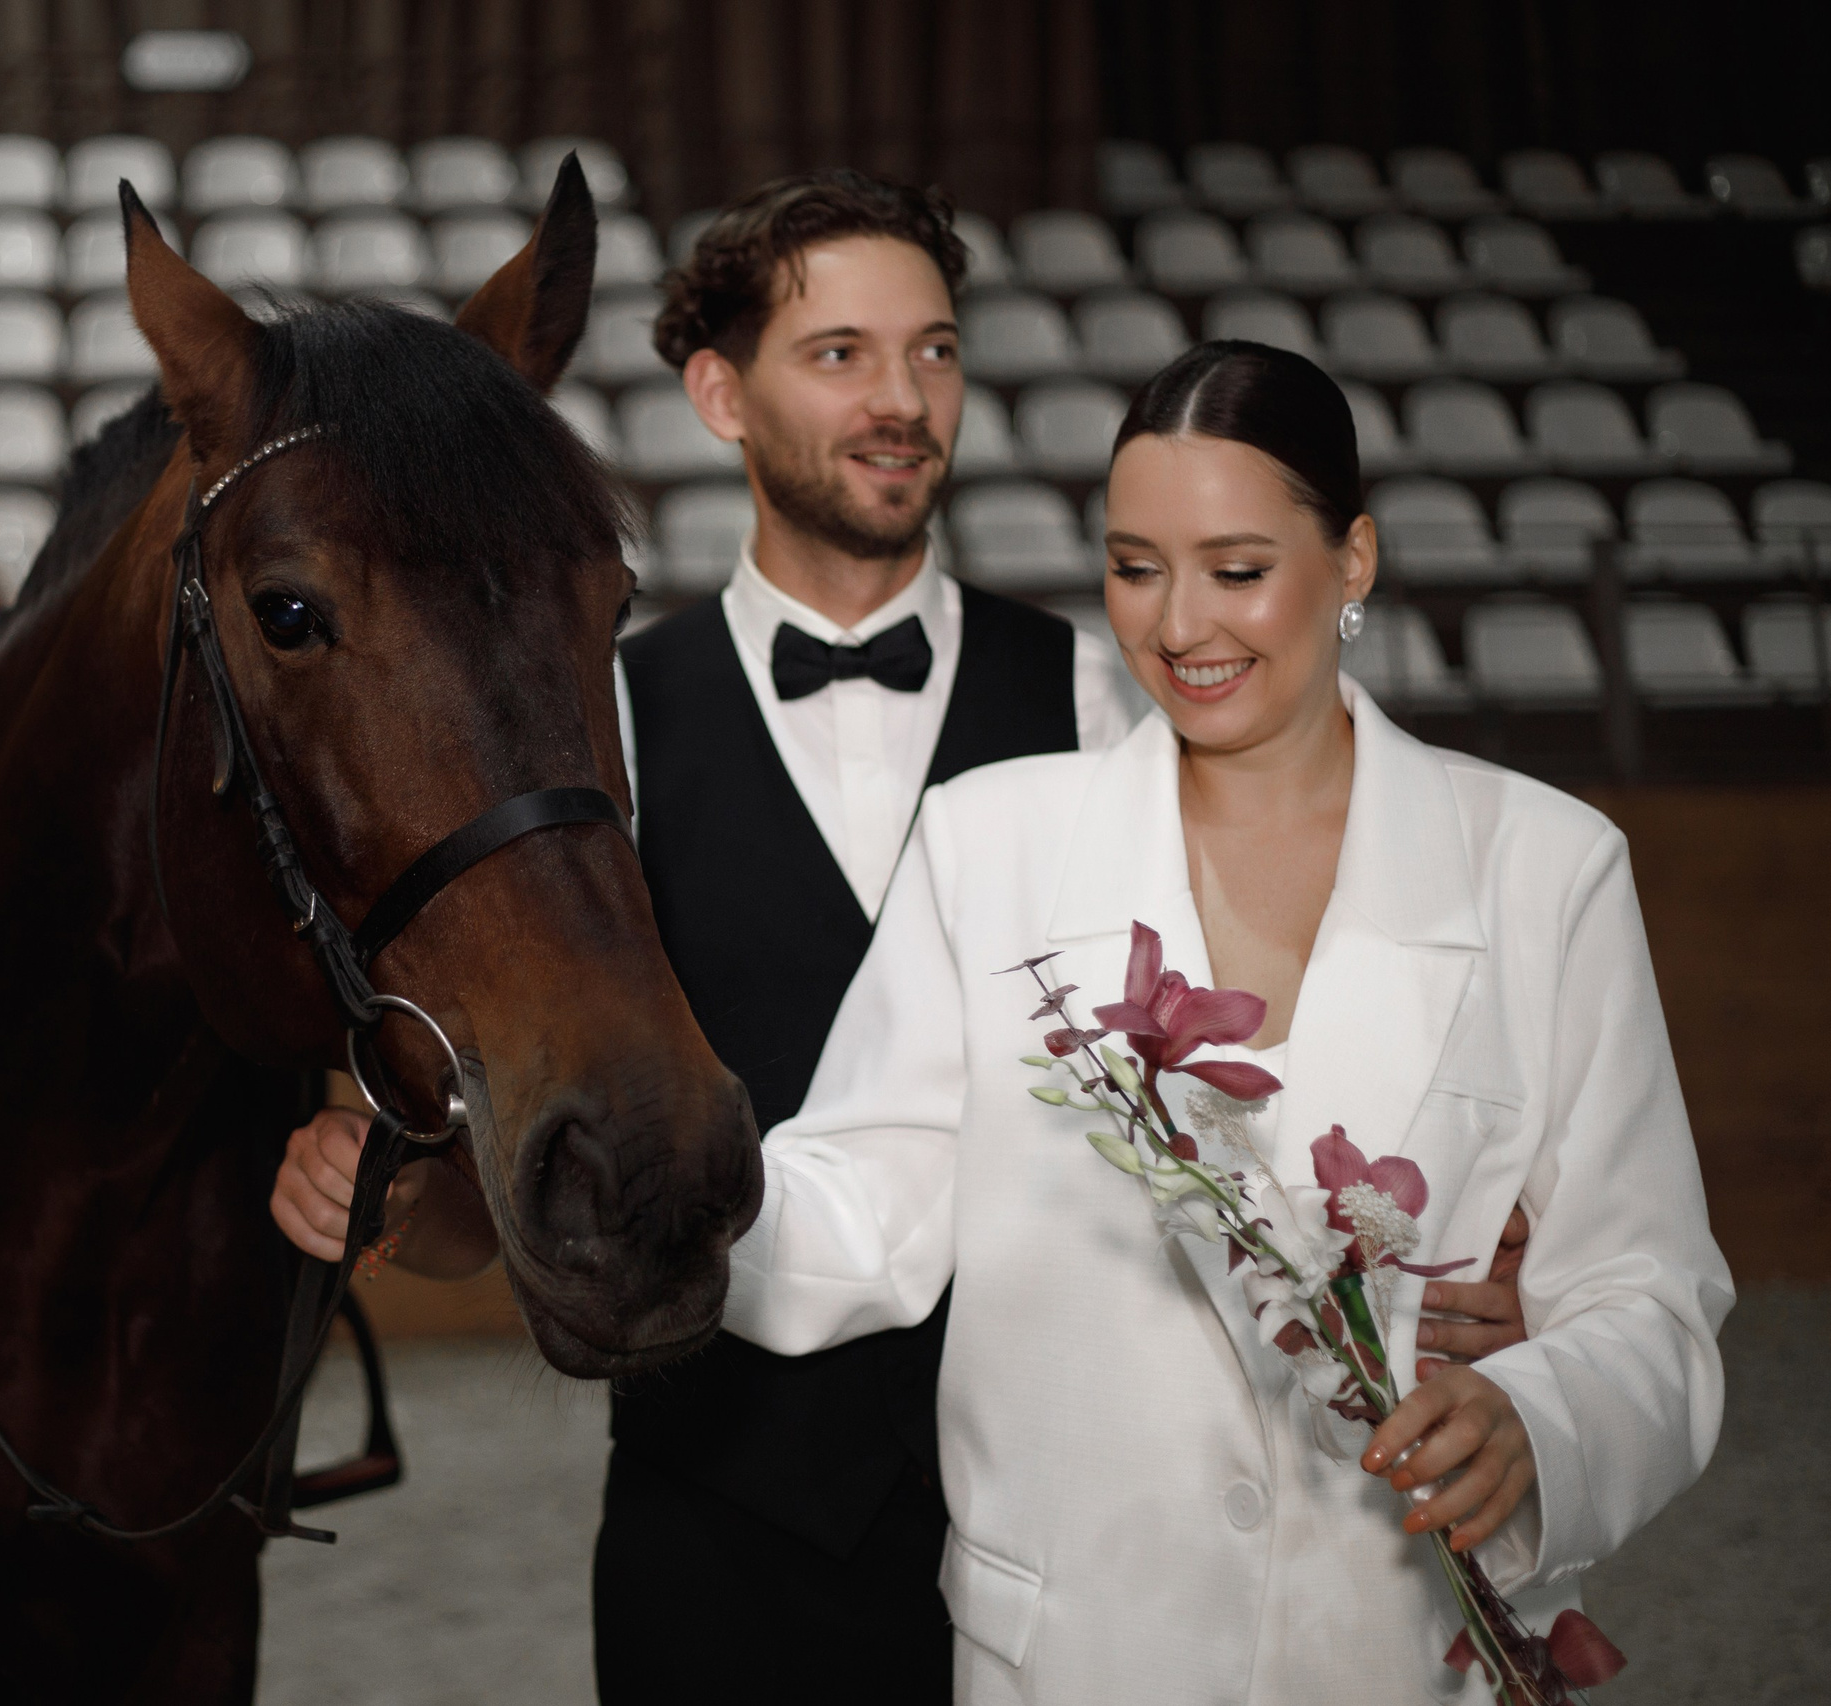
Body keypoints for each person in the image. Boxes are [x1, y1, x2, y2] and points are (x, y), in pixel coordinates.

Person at [271, 185, 1535, 1703]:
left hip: (1059, 1522)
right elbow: (513, 1175)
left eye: (934, 351)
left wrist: (1425, 1257)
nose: (899, 401)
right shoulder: (590, 723)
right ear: (720, 393)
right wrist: (399, 1176)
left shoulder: (1106, 698)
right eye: (842, 353)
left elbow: (1239, 1073)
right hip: (711, 1519)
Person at [721, 339, 1734, 1702]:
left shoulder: (1548, 868)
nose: (1178, 623)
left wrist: (1536, 1420)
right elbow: (857, 1210)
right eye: (1135, 567)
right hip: (1076, 1658)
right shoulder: (986, 845)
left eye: (1238, 570)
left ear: (1354, 560)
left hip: (1397, 1658)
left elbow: (1650, 1298)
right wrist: (644, 1195)